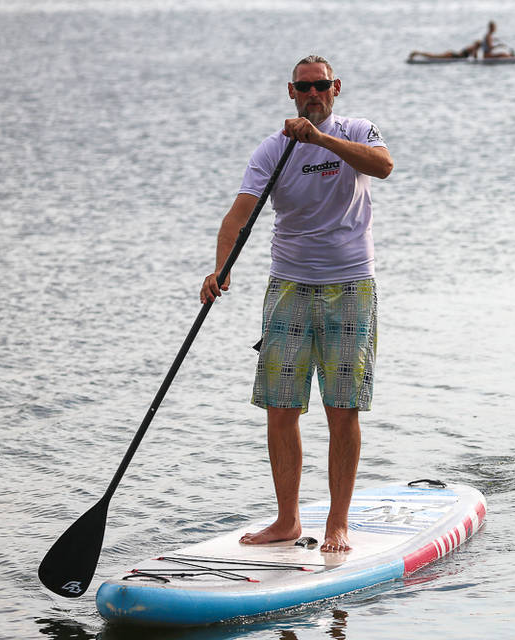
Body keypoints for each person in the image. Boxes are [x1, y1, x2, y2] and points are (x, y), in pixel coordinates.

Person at [200, 54, 393, 553]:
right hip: (289, 287)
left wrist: (320, 139)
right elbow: (238, 216)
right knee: (281, 408)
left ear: (336, 88)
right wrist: (219, 269)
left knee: (342, 409)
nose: (313, 93)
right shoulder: (272, 151)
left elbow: (385, 167)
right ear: (290, 91)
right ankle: (287, 520)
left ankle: (337, 524)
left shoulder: (358, 131)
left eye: (322, 86)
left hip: (350, 286)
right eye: (304, 87)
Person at [409, 40, 480, 60]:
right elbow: (475, 58)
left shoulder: (470, 47)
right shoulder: (472, 48)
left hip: (452, 54)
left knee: (434, 56)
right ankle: (417, 53)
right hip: (452, 55)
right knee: (433, 57)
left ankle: (417, 53)